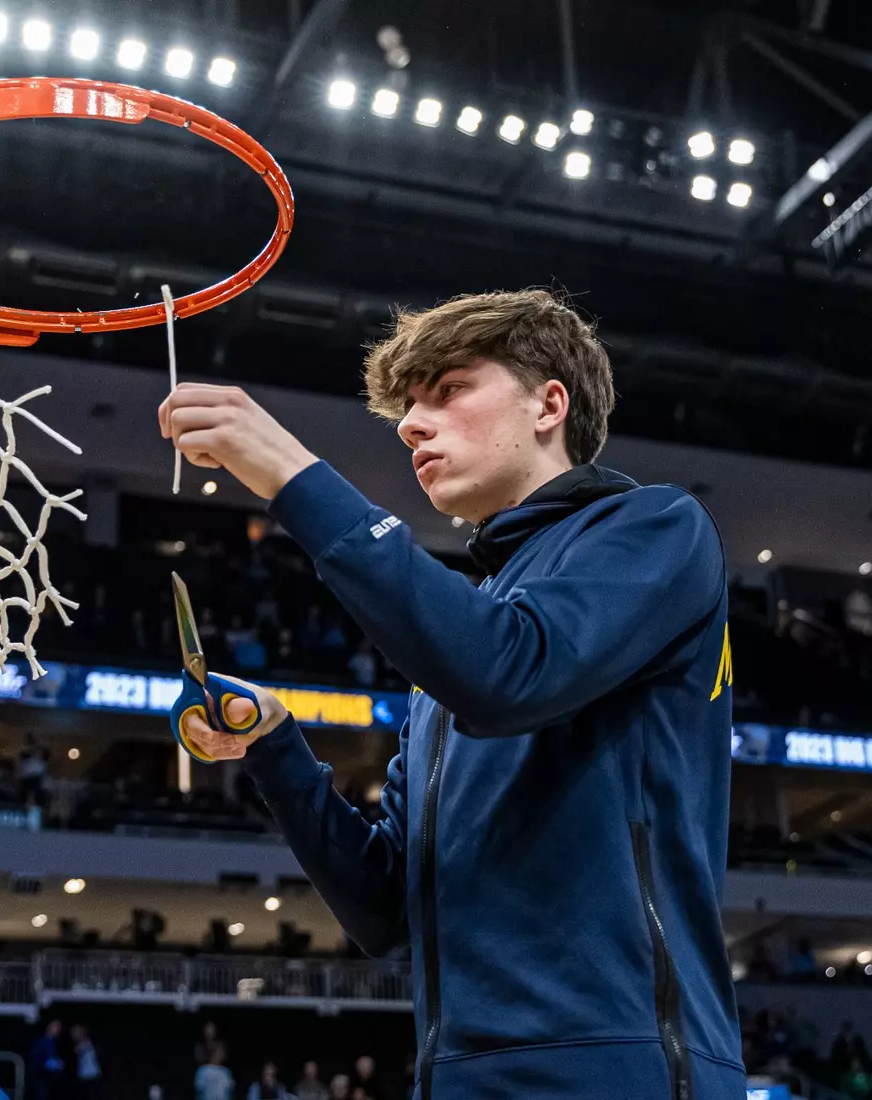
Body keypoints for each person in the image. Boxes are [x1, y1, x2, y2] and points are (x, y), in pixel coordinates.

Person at [161, 289, 741, 1099]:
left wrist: (295, 476)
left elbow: (509, 673)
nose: (410, 423)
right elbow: (383, 912)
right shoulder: (458, 651)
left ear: (549, 404)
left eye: (450, 388)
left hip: (618, 1068)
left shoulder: (655, 529)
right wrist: (276, 746)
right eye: (409, 404)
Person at [29, 1020, 65, 1100]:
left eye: (59, 1027)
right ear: (49, 1027)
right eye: (55, 1026)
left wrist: (58, 1063)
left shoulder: (58, 1042)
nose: (57, 1029)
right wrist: (47, 1064)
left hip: (54, 1077)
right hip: (41, 1075)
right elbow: (35, 1058)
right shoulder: (40, 1041)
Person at [70, 1024, 101, 1100]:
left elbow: (77, 1050)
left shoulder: (85, 1043)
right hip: (87, 1073)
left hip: (90, 1074)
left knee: (90, 1094)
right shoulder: (85, 1042)